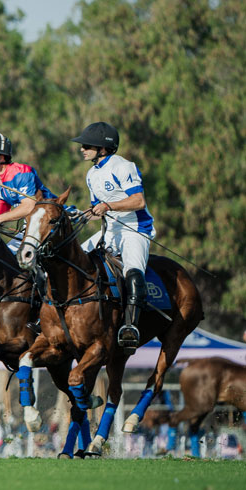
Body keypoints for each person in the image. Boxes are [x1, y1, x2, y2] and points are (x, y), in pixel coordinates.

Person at [72, 122, 155, 352]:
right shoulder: (91, 174)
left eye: (87, 145)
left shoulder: (123, 166)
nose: (82, 148)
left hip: (134, 229)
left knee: (133, 272)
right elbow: (96, 211)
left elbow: (138, 201)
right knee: (72, 260)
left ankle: (131, 326)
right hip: (109, 230)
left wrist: (108, 206)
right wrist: (79, 215)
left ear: (103, 148)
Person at [0, 131, 60, 252]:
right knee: (7, 258)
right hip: (32, 227)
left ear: (1, 157)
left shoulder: (21, 172)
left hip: (54, 221)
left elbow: (29, 206)